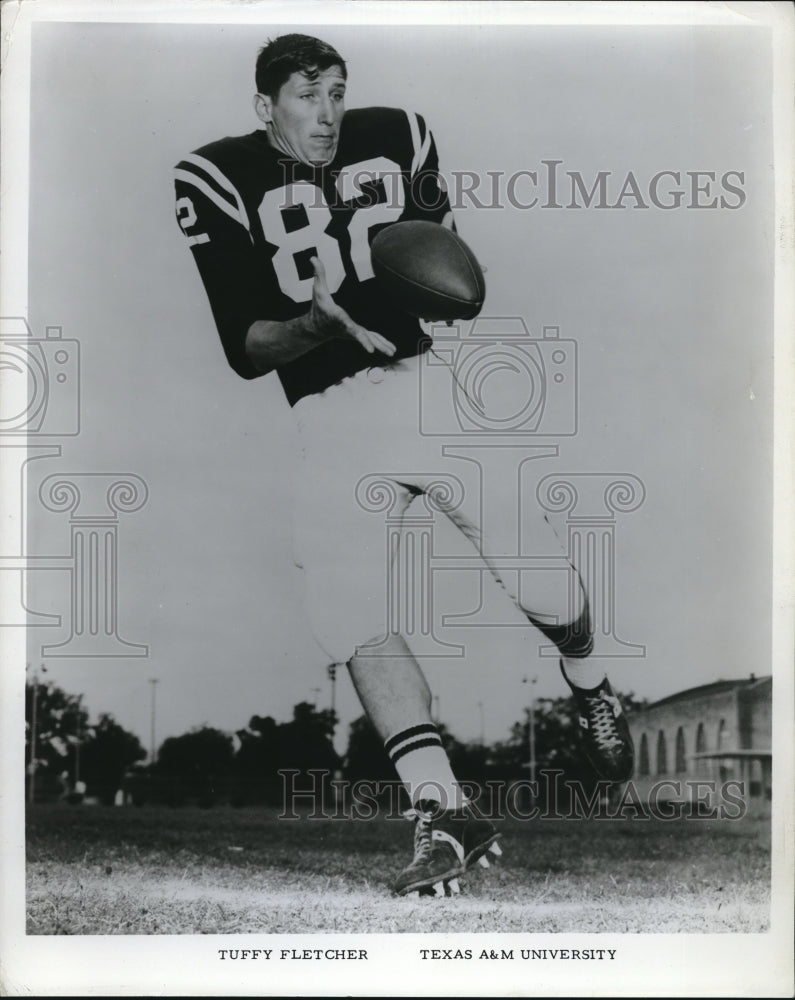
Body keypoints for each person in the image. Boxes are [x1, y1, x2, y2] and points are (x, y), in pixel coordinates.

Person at [174, 33, 633, 897]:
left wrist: (426, 289)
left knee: (540, 587)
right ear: (264, 104)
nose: (328, 112)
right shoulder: (210, 175)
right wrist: (321, 324)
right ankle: (444, 809)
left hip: (427, 388)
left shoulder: (400, 135)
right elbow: (246, 347)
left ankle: (589, 676)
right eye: (308, 94)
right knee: (343, 612)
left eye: (338, 91)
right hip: (326, 410)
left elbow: (441, 269)